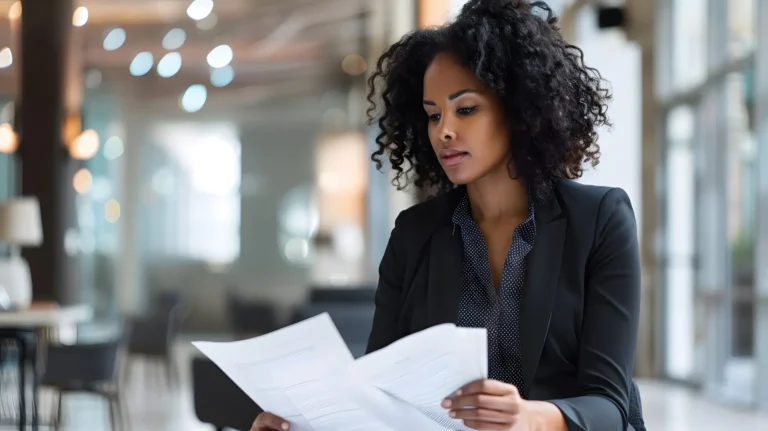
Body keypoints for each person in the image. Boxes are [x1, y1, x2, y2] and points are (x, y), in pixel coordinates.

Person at [251, 0, 645, 430]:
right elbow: (377, 392)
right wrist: (303, 421)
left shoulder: (599, 220)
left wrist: (530, 419)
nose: (444, 131)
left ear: (517, 111)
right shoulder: (414, 234)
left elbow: (610, 405)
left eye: (466, 109)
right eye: (433, 114)